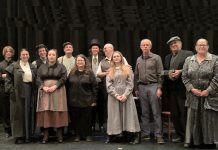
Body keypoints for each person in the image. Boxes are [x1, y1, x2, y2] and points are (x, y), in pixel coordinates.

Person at [182, 38, 218, 148]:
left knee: (209, 119)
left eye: (204, 45)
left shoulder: (215, 59)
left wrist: (208, 90)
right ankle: (192, 141)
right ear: (196, 47)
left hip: (210, 96)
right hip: (193, 95)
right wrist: (192, 89)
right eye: (199, 45)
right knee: (193, 119)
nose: (202, 47)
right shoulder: (189, 60)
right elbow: (184, 76)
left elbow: (217, 77)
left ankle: (211, 141)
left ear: (208, 47)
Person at [163, 36, 193, 142]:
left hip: (183, 90)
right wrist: (169, 74)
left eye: (175, 43)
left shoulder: (188, 54)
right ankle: (180, 135)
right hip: (172, 91)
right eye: (171, 44)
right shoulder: (167, 57)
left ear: (181, 44)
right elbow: (165, 71)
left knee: (183, 114)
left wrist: (180, 71)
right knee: (175, 115)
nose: (173, 45)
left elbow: (192, 68)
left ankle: (188, 136)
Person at [106, 51, 140, 144]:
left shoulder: (127, 68)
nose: (116, 58)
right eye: (114, 56)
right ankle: (114, 135)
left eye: (118, 56)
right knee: (115, 115)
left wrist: (125, 95)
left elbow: (130, 83)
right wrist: (116, 95)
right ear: (112, 58)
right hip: (114, 96)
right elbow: (109, 85)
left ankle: (134, 135)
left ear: (121, 57)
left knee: (129, 114)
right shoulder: (110, 70)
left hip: (126, 95)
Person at [134, 39, 164, 144]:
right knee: (144, 112)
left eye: (147, 45)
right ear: (140, 47)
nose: (145, 47)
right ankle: (146, 133)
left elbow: (161, 74)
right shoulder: (138, 59)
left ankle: (158, 135)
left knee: (156, 112)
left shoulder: (156, 58)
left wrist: (159, 88)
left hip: (153, 86)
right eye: (143, 45)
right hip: (142, 87)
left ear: (150, 47)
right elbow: (136, 75)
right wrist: (136, 89)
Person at [36, 49, 68, 144]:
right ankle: (46, 136)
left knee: (58, 111)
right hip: (45, 91)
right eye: (49, 54)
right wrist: (43, 87)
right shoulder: (42, 67)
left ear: (56, 56)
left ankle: (59, 135)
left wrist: (55, 86)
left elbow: (64, 77)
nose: (51, 56)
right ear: (47, 56)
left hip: (58, 90)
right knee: (46, 111)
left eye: (53, 54)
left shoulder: (61, 67)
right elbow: (37, 78)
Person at [5, 48, 36, 144]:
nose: (25, 56)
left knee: (28, 112)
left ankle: (28, 135)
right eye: (23, 54)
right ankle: (18, 136)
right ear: (20, 56)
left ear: (29, 56)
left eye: (27, 54)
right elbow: (8, 80)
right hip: (17, 92)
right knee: (18, 114)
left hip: (29, 90)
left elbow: (36, 79)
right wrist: (11, 90)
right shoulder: (14, 66)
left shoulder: (32, 66)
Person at [96, 43, 128, 132]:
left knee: (121, 109)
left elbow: (127, 70)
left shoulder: (122, 59)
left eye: (106, 48)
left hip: (121, 88)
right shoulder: (102, 61)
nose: (104, 50)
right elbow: (98, 74)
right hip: (108, 88)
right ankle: (112, 129)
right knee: (110, 109)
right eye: (104, 49)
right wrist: (107, 73)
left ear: (112, 49)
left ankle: (123, 129)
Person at [66, 54, 97, 142]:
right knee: (76, 119)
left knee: (86, 118)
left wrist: (94, 100)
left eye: (81, 60)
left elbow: (94, 87)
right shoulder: (72, 72)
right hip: (74, 100)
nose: (79, 62)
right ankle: (78, 135)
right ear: (76, 62)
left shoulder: (89, 72)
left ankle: (88, 135)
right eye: (78, 61)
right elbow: (68, 85)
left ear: (85, 62)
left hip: (87, 99)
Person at [87, 39, 105, 132]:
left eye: (96, 48)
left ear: (99, 49)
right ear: (91, 50)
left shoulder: (103, 59)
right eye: (93, 48)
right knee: (92, 106)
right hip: (90, 86)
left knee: (101, 106)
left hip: (101, 84)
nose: (94, 49)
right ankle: (92, 124)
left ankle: (101, 124)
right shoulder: (86, 59)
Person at [0, 46, 14, 138]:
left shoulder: (15, 64)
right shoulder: (0, 64)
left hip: (13, 89)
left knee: (13, 110)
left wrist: (6, 76)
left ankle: (14, 129)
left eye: (10, 51)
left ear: (12, 53)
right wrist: (3, 76)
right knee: (5, 110)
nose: (8, 53)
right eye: (7, 51)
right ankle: (7, 130)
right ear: (4, 53)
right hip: (3, 89)